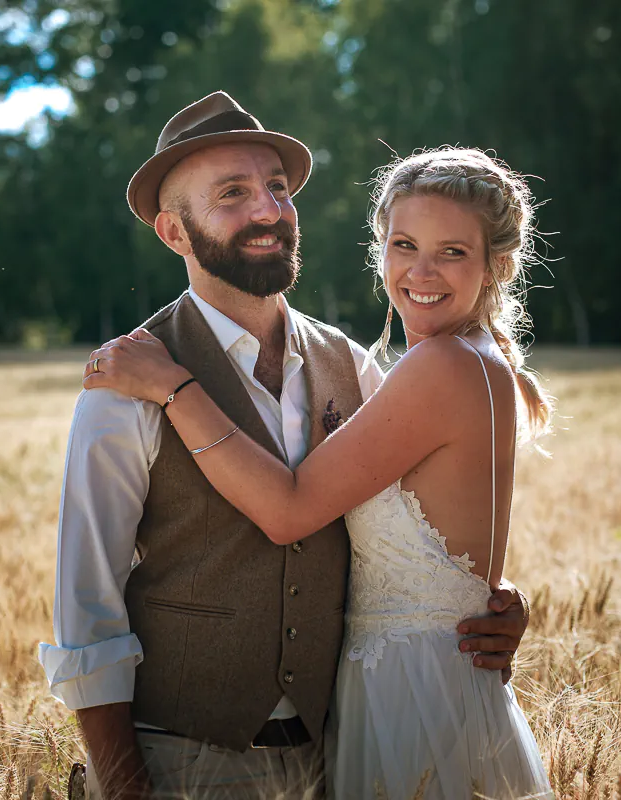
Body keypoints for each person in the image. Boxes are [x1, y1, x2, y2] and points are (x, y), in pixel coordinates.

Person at [41, 91, 532, 800]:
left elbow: (420, 511)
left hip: (344, 754)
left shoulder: (355, 367)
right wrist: (123, 785)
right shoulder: (127, 382)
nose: (268, 210)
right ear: (175, 233)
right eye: (233, 194)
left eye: (276, 188)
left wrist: (486, 599)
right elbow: (85, 604)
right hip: (183, 763)